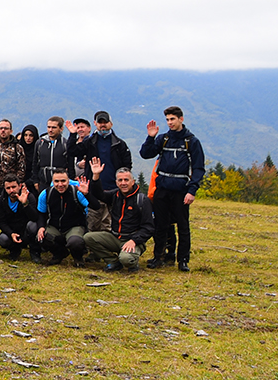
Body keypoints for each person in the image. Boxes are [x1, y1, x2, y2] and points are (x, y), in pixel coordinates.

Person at [140, 106, 206, 272]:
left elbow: (198, 168)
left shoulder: (191, 141)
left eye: (172, 119)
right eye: (168, 120)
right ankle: (158, 257)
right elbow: (145, 154)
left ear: (181, 119)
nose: (170, 123)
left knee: (183, 226)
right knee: (160, 225)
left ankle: (183, 260)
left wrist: (192, 190)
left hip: (181, 190)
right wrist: (150, 137)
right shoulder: (163, 139)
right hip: (162, 189)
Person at [80, 160, 153, 272]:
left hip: (133, 240)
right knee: (88, 238)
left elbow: (149, 228)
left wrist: (134, 240)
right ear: (116, 182)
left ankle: (131, 261)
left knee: (126, 259)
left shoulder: (142, 200)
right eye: (120, 180)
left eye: (126, 180)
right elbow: (100, 195)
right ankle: (113, 261)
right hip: (115, 237)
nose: (123, 183)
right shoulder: (115, 195)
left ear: (133, 181)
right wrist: (96, 176)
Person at [74, 111, 131, 234]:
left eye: (105, 122)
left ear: (111, 123)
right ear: (95, 124)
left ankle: (110, 249)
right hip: (94, 188)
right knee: (94, 222)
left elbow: (127, 165)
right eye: (100, 123)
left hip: (114, 189)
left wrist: (123, 183)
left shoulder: (119, 144)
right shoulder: (89, 142)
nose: (103, 125)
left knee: (111, 223)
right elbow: (73, 152)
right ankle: (93, 249)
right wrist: (73, 134)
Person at [30, 169, 88, 266]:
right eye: (56, 181)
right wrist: (41, 227)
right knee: (41, 237)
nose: (60, 184)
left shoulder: (76, 192)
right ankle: (59, 253)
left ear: (68, 181)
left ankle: (78, 257)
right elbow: (41, 214)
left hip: (74, 226)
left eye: (63, 181)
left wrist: (87, 195)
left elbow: (93, 207)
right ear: (52, 182)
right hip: (54, 226)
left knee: (75, 242)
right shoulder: (45, 194)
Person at [0, 178, 38, 260]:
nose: (11, 190)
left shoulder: (29, 197)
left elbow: (35, 217)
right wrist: (11, 233)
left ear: (20, 186)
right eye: (8, 188)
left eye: (14, 187)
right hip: (11, 231)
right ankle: (14, 250)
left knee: (33, 226)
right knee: (2, 239)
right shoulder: (0, 200)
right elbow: (1, 222)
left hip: (26, 231)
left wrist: (25, 204)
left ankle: (35, 251)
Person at [31, 117, 71, 191]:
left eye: (54, 127)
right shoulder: (40, 143)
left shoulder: (65, 144)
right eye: (49, 127)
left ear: (61, 129)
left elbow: (70, 164)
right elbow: (35, 162)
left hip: (60, 184)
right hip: (43, 182)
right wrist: (35, 181)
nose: (50, 130)